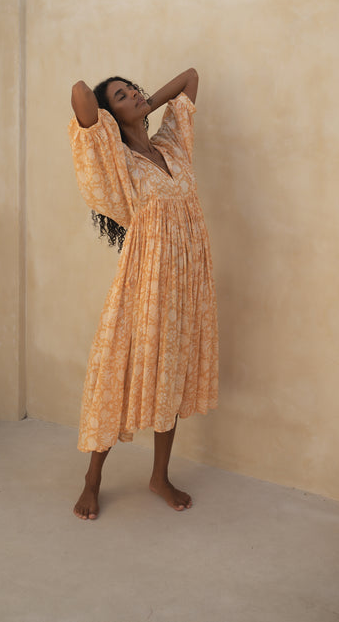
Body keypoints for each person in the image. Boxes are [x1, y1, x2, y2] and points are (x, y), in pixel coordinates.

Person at [68, 68, 219, 519]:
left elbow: (192, 77)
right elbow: (79, 93)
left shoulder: (173, 145)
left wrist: (148, 106)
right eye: (121, 94)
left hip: (187, 279)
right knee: (120, 367)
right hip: (146, 278)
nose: (133, 94)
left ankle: (160, 476)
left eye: (133, 88)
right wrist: (112, 117)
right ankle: (92, 480)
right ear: (109, 114)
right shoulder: (116, 161)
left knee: (169, 371)